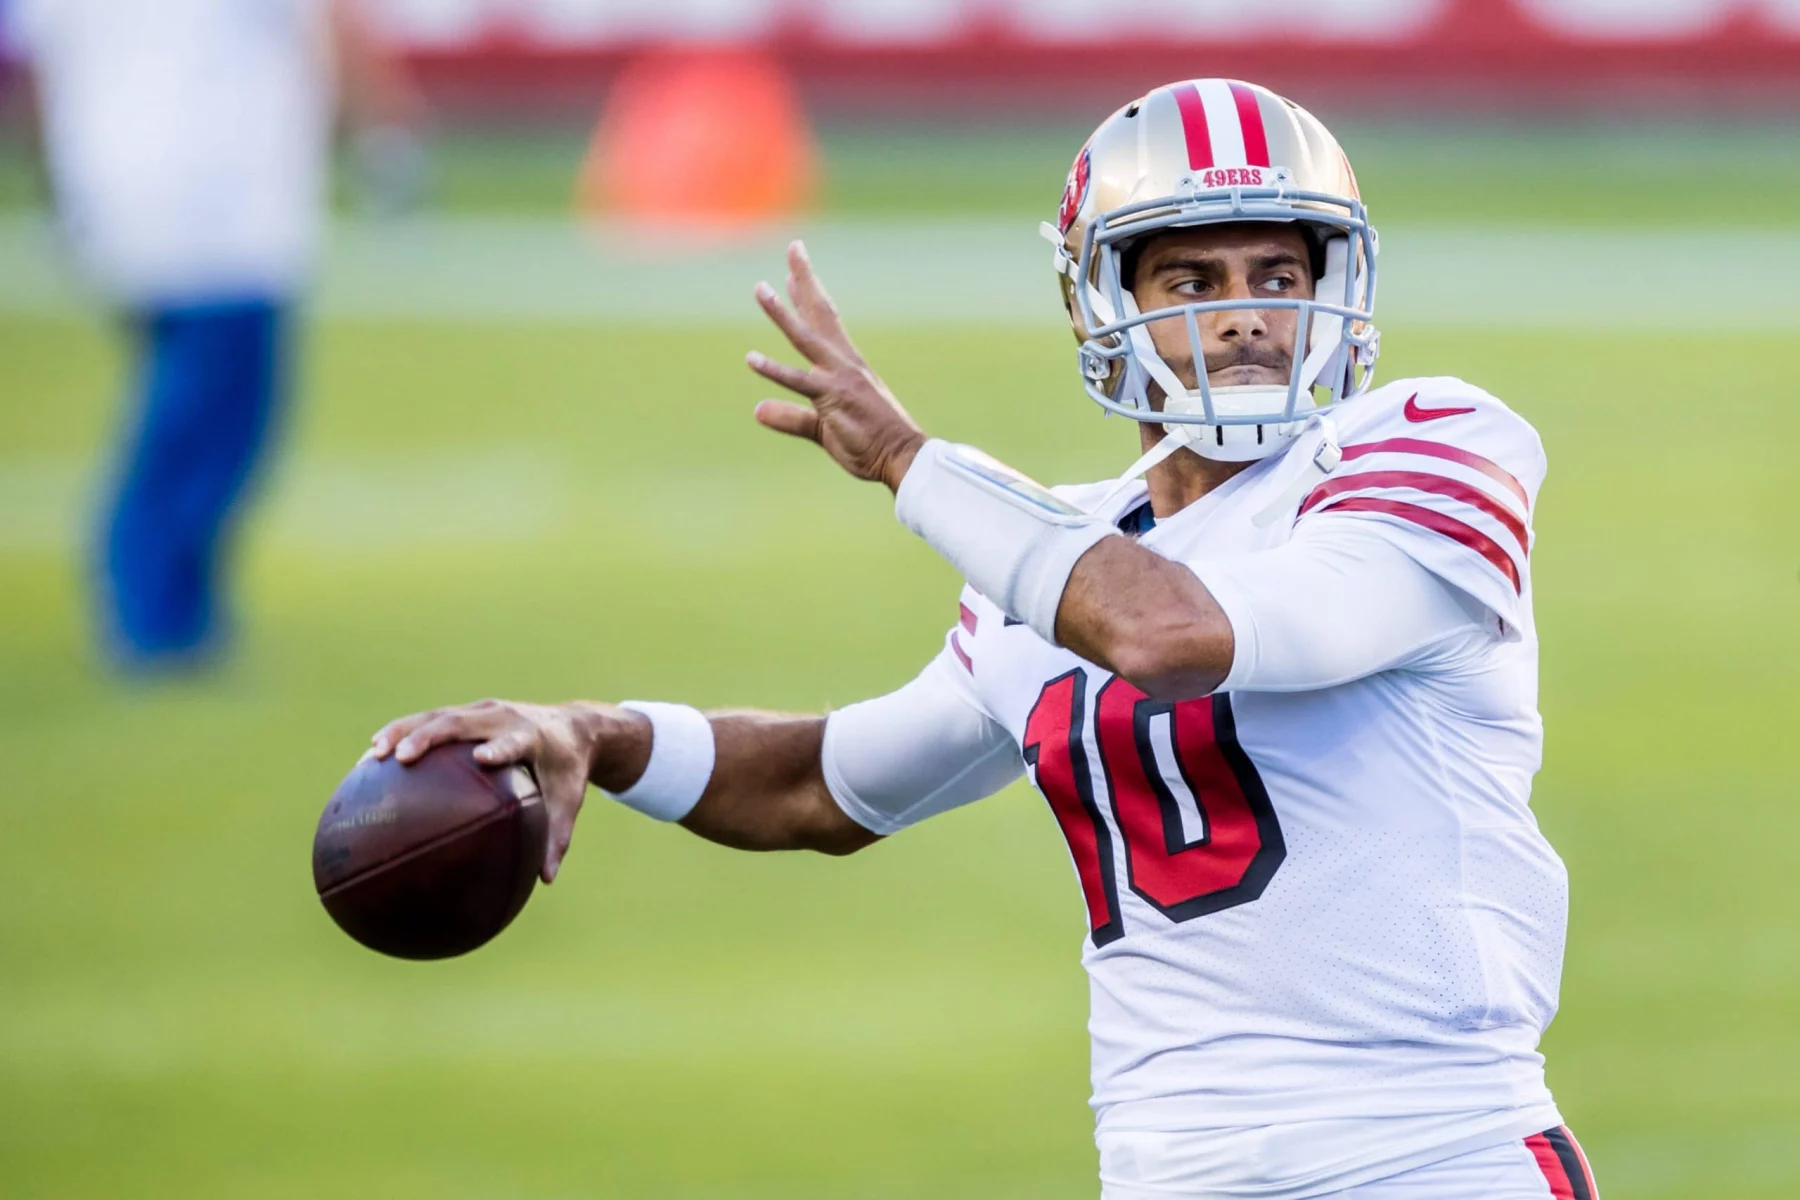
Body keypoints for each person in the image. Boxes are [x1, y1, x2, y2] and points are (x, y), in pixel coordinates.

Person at [370, 80, 1598, 1200]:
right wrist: (600, 733)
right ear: (1103, 303)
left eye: (1277, 276)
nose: (1247, 320)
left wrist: (911, 462)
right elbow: (822, 787)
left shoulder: (1427, 446)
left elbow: (1174, 633)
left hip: (1428, 1157)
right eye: (1193, 283)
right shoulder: (1053, 555)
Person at [4, 0, 421, 669]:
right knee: (209, 428)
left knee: (182, 414)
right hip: (226, 207)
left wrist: (54, 181)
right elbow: (336, 20)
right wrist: (385, 137)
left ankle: (173, 609)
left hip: (112, 196)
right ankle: (155, 619)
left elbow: (43, 69)